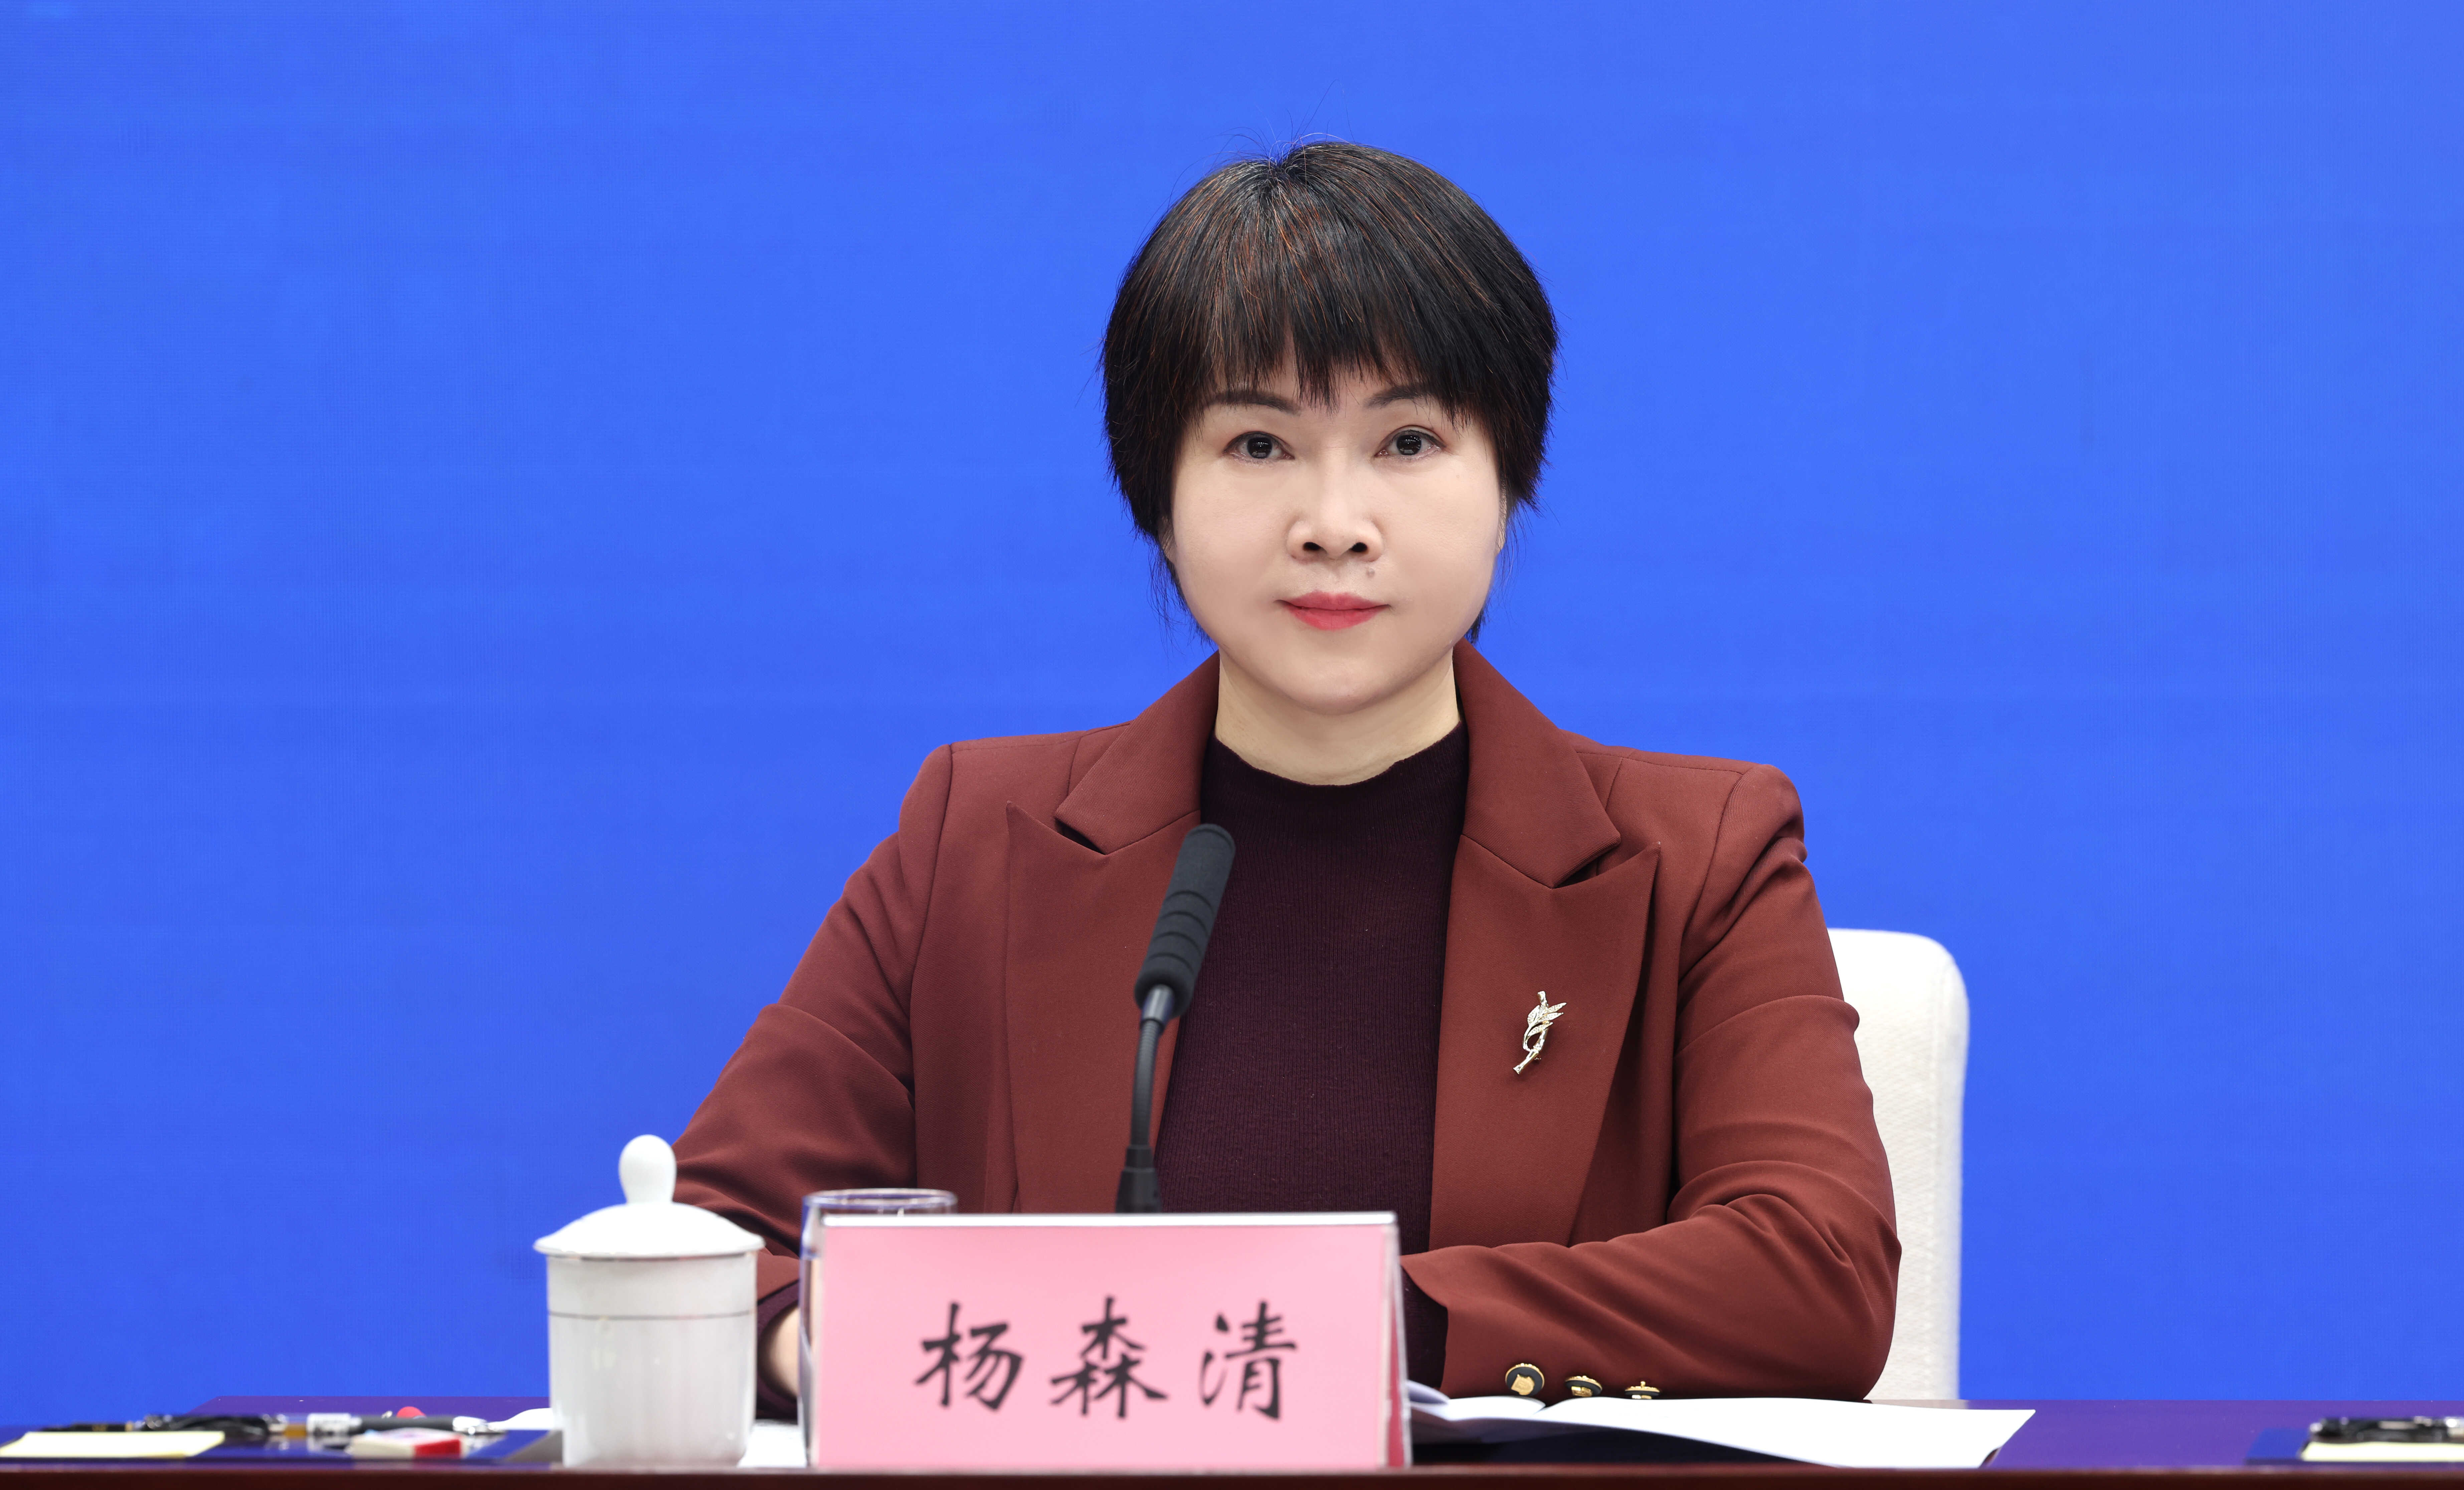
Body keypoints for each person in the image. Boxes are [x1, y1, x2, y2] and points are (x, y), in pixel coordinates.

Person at [673, 142, 1898, 1414]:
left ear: (1507, 489)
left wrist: (1323, 1330)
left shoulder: (1698, 858)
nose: (1333, 524)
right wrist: (839, 1350)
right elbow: (702, 1248)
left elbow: (1819, 1274)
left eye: (1409, 441)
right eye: (1259, 445)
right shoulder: (977, 841)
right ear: (1158, 499)